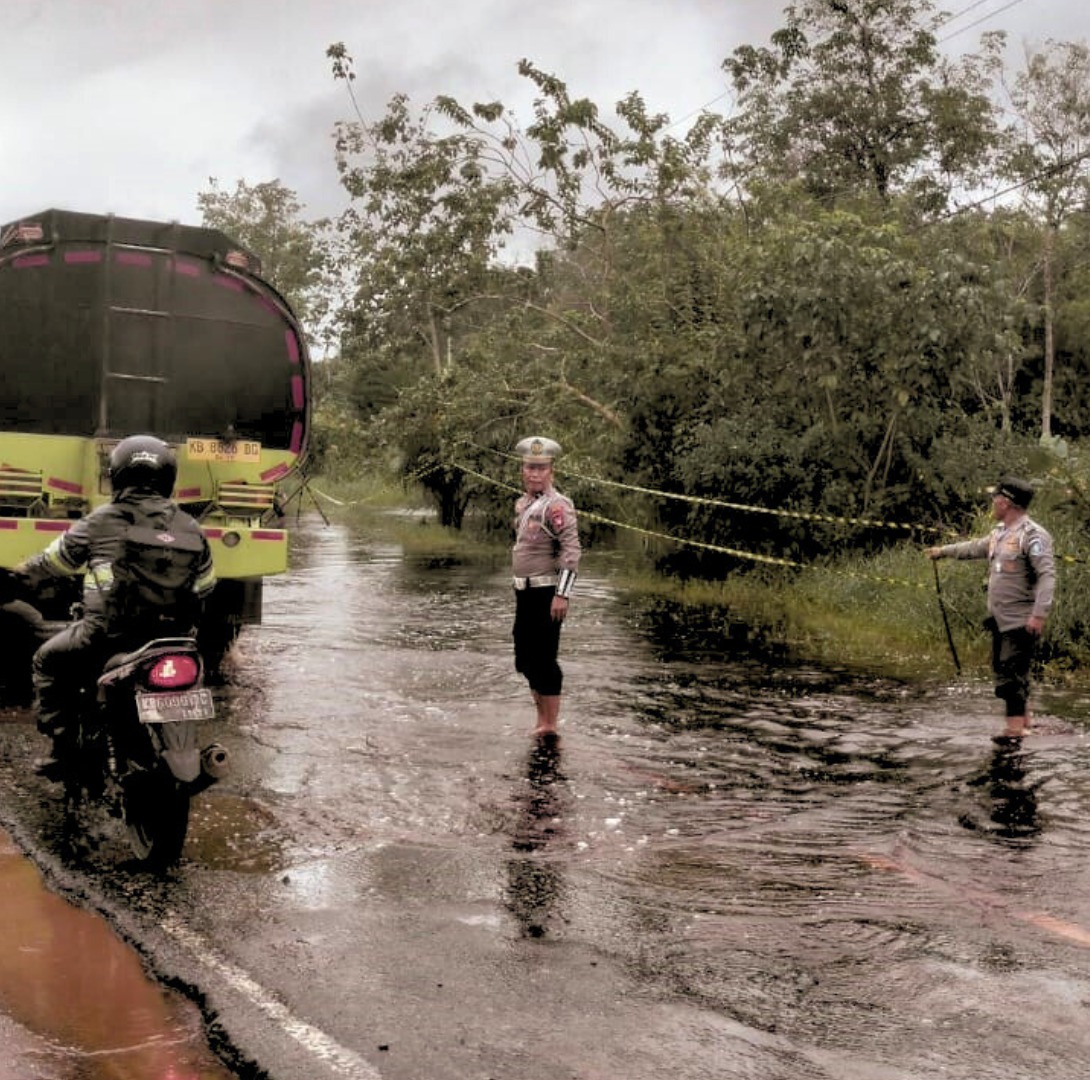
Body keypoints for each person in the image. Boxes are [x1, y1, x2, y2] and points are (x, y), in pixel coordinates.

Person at [16, 435, 217, 779]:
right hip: (173, 640)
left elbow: (55, 562)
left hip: (107, 635)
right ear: (169, 477)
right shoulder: (191, 527)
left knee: (46, 661)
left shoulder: (101, 520)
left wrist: (20, 574)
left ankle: (62, 751)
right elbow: (206, 585)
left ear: (118, 475)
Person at [927, 476, 1055, 741]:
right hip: (1000, 619)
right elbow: (975, 547)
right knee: (1007, 672)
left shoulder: (1033, 535)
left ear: (1005, 502)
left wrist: (1038, 615)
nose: (993, 503)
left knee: (1010, 676)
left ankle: (1014, 733)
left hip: (1021, 621)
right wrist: (943, 551)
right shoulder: (1000, 533)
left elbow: (1047, 576)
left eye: (995, 499)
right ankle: (1025, 724)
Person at [511, 436, 581, 737]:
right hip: (523, 591)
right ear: (523, 470)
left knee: (544, 658)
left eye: (541, 468)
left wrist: (562, 594)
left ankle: (550, 725)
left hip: (546, 592)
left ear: (551, 471)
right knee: (525, 659)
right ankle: (540, 719)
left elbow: (571, 550)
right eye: (530, 467)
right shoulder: (524, 503)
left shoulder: (558, 506)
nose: (535, 473)